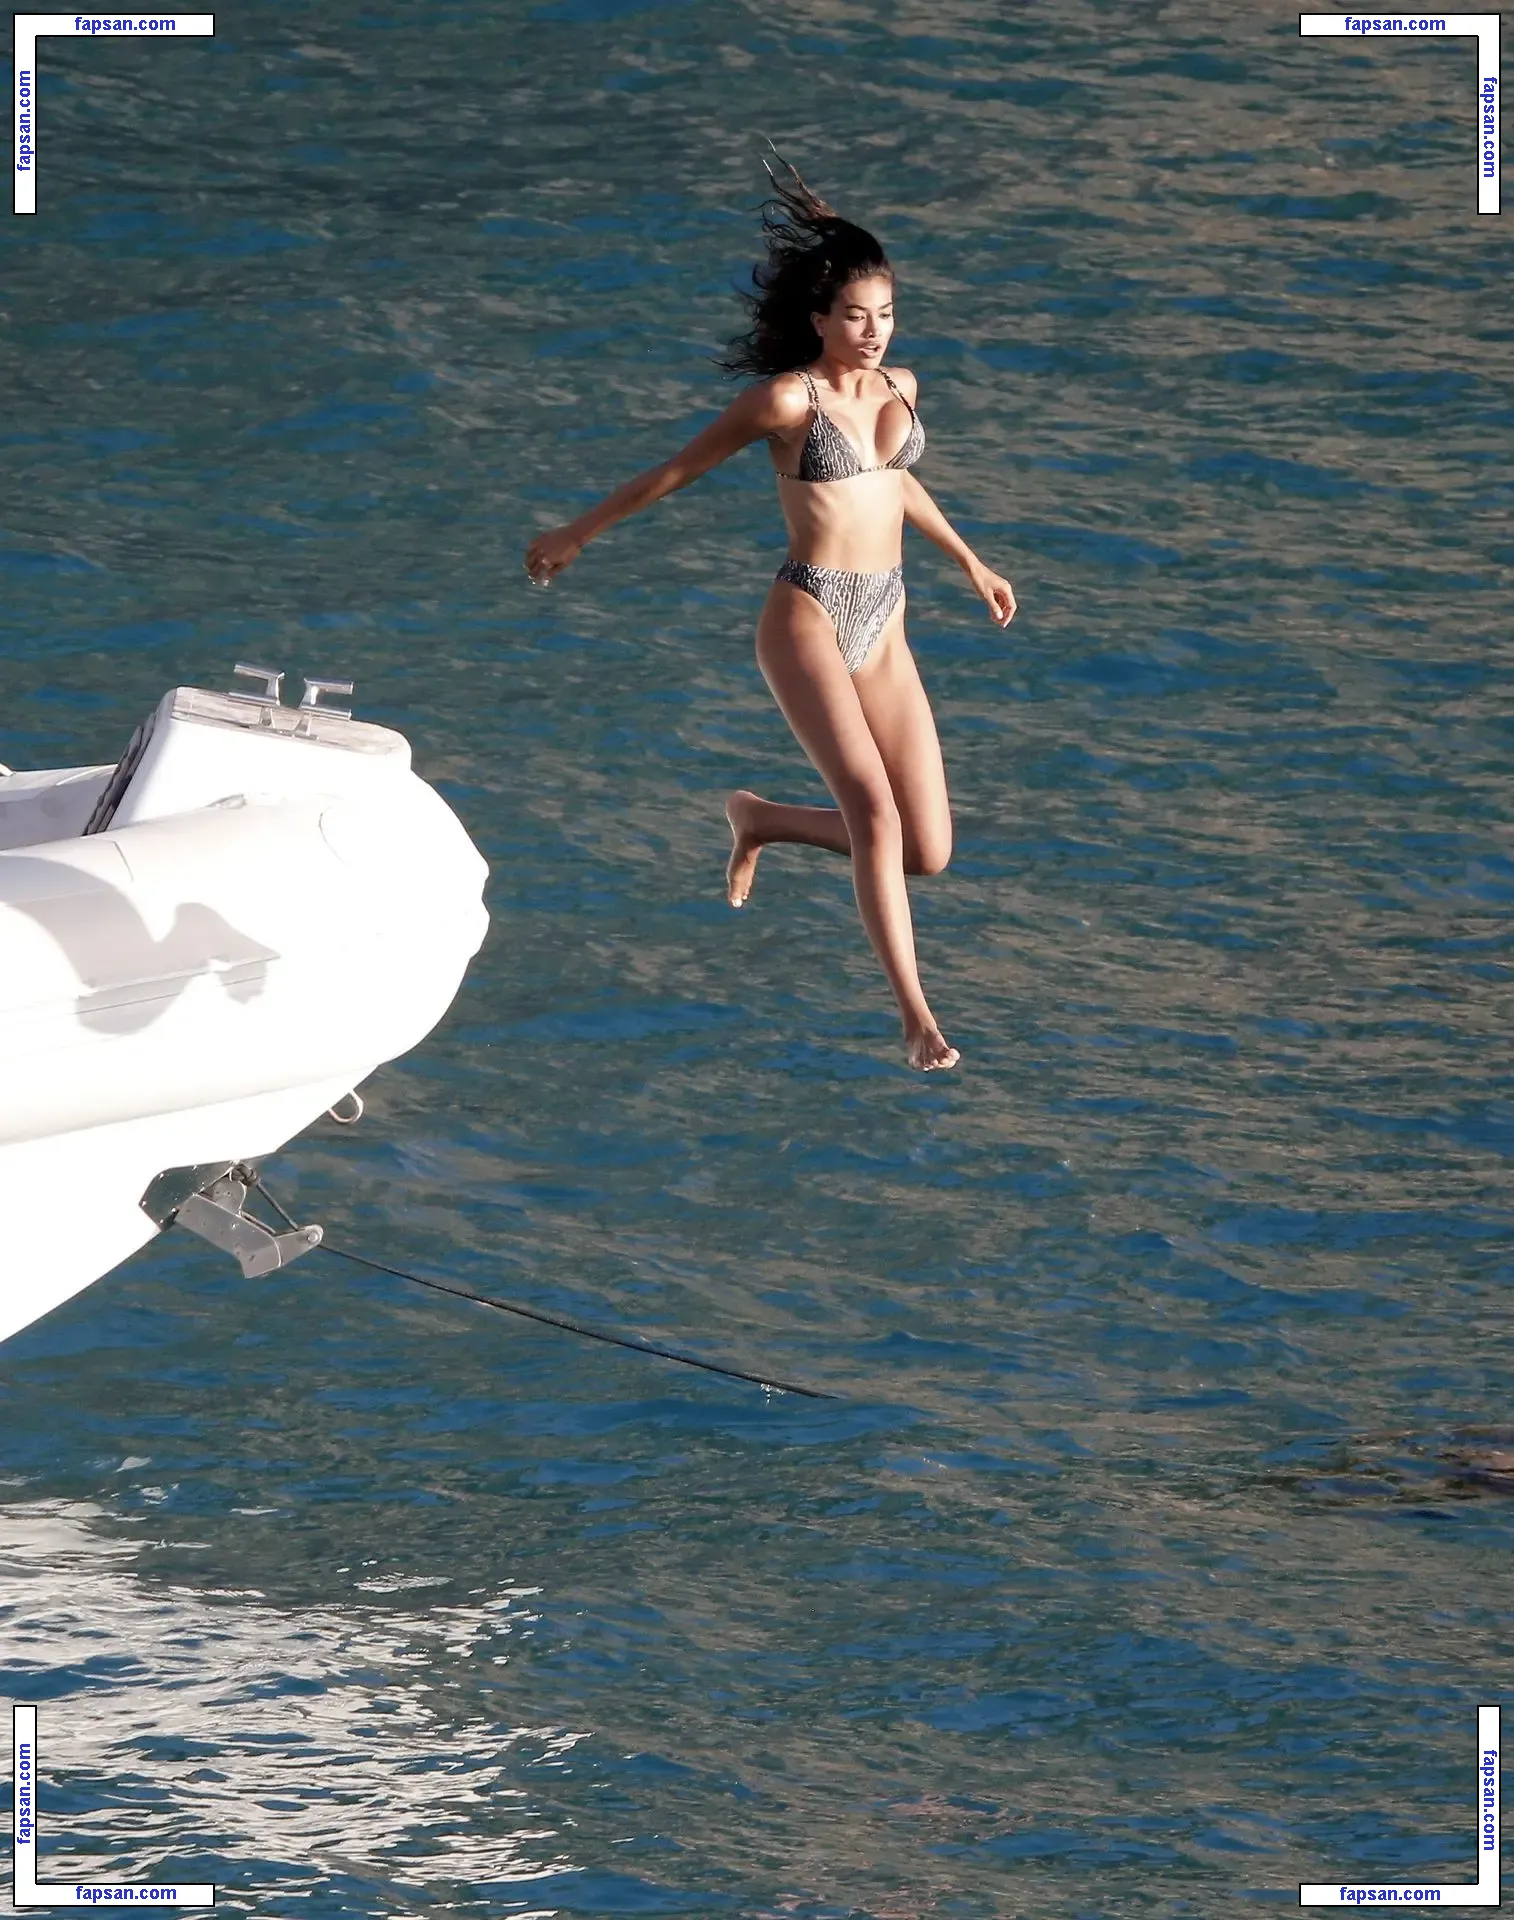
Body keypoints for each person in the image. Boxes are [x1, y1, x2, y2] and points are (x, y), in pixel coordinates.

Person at [523, 144, 1016, 1072]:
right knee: (875, 817)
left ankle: (761, 818)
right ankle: (917, 1018)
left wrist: (971, 561)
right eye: (855, 316)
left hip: (887, 617)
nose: (874, 332)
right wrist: (578, 533)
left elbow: (892, 484)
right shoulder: (788, 401)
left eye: (886, 314)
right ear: (819, 319)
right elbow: (676, 471)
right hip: (810, 614)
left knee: (928, 850)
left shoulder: (902, 389)